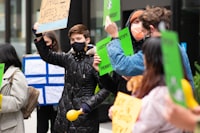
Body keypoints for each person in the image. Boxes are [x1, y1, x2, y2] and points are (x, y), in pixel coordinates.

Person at [33, 24, 110, 133]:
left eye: (78, 39)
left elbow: (106, 88)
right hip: (63, 116)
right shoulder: (68, 58)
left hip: (84, 116)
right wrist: (39, 35)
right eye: (72, 40)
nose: (75, 42)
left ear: (87, 40)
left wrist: (89, 104)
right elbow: (47, 55)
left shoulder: (96, 60)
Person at [104, 6, 194, 89]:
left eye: (144, 32)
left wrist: (115, 35)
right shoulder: (172, 44)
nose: (144, 36)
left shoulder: (157, 47)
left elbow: (124, 65)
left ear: (151, 29)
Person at [131, 37, 183, 132]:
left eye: (144, 54)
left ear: (151, 60)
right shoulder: (179, 88)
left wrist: (120, 116)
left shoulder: (158, 97)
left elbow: (139, 130)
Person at [93, 9, 146, 95]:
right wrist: (101, 72)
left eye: (143, 23)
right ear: (129, 25)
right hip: (124, 103)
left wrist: (135, 79)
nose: (140, 26)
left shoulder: (150, 49)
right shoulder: (119, 49)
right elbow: (114, 87)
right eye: (136, 22)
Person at [0, 43, 29, 133]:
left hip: (10, 126)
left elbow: (19, 101)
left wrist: (1, 100)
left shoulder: (16, 75)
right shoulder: (1, 73)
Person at [36, 31, 61, 133]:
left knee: (56, 128)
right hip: (42, 102)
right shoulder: (36, 59)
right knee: (41, 127)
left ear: (53, 42)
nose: (44, 45)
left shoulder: (60, 57)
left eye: (46, 42)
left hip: (56, 100)